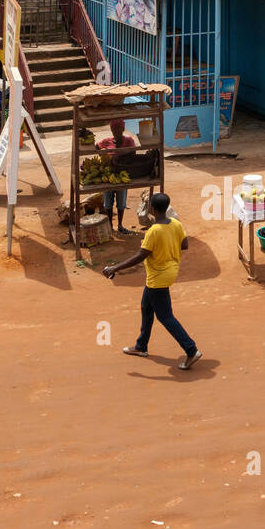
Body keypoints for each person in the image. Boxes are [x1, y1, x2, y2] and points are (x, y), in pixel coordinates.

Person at [103, 192, 202, 370]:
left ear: (153, 209)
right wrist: (168, 245)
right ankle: (141, 346)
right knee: (146, 308)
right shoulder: (176, 224)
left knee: (165, 316)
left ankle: (191, 349)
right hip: (168, 271)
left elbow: (140, 256)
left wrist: (114, 268)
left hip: (159, 277)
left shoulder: (153, 231)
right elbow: (184, 245)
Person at [97, 119, 137, 234]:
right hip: (108, 175)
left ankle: (120, 224)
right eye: (113, 129)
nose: (115, 131)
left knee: (121, 202)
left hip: (122, 175)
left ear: (123, 129)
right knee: (107, 203)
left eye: (118, 128)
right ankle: (110, 225)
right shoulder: (106, 141)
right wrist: (102, 154)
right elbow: (96, 147)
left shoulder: (129, 141)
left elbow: (133, 153)